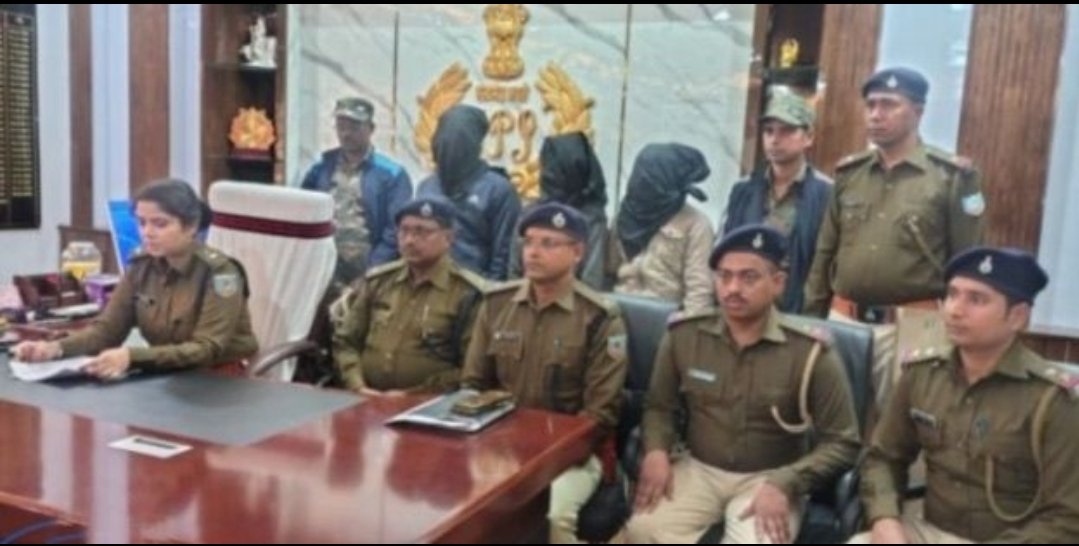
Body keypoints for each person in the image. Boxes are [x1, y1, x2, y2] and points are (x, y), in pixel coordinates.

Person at [625, 224, 860, 544]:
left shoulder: (810, 352)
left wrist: (787, 482)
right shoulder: (684, 336)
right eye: (724, 276)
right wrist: (656, 451)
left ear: (777, 283)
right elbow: (659, 406)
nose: (732, 288)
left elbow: (843, 442)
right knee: (642, 531)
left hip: (770, 477)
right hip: (699, 468)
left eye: (749, 278)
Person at [854, 247, 1079, 543]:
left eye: (976, 299)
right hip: (931, 532)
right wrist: (884, 519)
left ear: (1017, 317)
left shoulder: (1053, 399)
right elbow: (883, 457)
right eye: (952, 295)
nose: (955, 310)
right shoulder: (922, 374)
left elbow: (1068, 516)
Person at [803, 67, 985, 409]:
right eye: (871, 105)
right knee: (834, 422)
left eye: (888, 105)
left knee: (904, 427)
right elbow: (825, 252)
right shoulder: (850, 173)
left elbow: (967, 263)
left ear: (918, 112)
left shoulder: (951, 177)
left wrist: (962, 333)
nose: (875, 115)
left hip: (913, 327)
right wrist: (811, 319)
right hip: (843, 321)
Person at [461, 203, 627, 543]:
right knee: (462, 503)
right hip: (500, 445)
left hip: (572, 452)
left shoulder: (599, 317)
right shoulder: (496, 304)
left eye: (548, 243)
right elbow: (472, 386)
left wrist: (539, 459)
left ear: (577, 252)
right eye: (528, 242)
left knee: (556, 514)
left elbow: (600, 413)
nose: (533, 253)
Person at [13, 179, 258, 377]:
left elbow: (206, 349)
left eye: (160, 224)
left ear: (191, 226)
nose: (147, 232)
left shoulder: (220, 272)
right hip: (168, 376)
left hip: (220, 380)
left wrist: (132, 356)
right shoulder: (142, 267)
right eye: (142, 223)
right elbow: (106, 331)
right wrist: (54, 349)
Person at [332, 197, 486, 395]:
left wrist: (413, 395)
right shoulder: (379, 282)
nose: (410, 240)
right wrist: (356, 384)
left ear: (448, 238)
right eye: (404, 231)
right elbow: (346, 342)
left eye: (422, 232)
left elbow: (472, 368)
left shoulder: (468, 293)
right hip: (365, 397)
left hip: (429, 404)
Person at [724, 93, 832, 313]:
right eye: (769, 131)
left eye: (787, 131)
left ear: (809, 137)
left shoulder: (826, 193)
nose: (775, 139)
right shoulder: (743, 189)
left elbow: (826, 264)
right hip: (743, 307)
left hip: (798, 311)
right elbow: (724, 248)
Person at [301, 97, 413, 289]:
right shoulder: (322, 168)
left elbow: (396, 229)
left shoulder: (392, 174)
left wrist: (373, 271)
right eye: (341, 126)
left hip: (371, 266)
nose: (346, 133)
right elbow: (303, 211)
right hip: (325, 264)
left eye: (354, 127)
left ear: (371, 128)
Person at [417, 104, 522, 281]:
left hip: (476, 288)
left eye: (458, 142)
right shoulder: (427, 187)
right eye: (444, 140)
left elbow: (503, 256)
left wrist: (491, 293)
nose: (448, 148)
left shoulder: (498, 190)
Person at [610, 143, 715, 313]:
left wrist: (688, 327)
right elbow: (608, 271)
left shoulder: (696, 225)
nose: (642, 183)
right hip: (618, 311)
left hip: (667, 318)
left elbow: (699, 294)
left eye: (649, 178)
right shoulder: (626, 216)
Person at [509, 132, 610, 290]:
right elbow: (514, 272)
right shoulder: (532, 214)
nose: (547, 174)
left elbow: (591, 282)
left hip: (573, 301)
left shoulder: (592, 218)